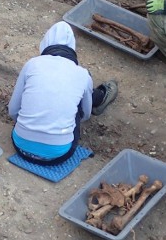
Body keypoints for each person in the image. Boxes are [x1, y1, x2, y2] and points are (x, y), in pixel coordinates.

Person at [8, 21, 118, 165]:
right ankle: (100, 97)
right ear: (72, 48)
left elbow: (13, 110)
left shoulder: (32, 64)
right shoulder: (82, 74)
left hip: (21, 147)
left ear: (45, 43)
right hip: (59, 155)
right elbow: (85, 115)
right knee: (77, 100)